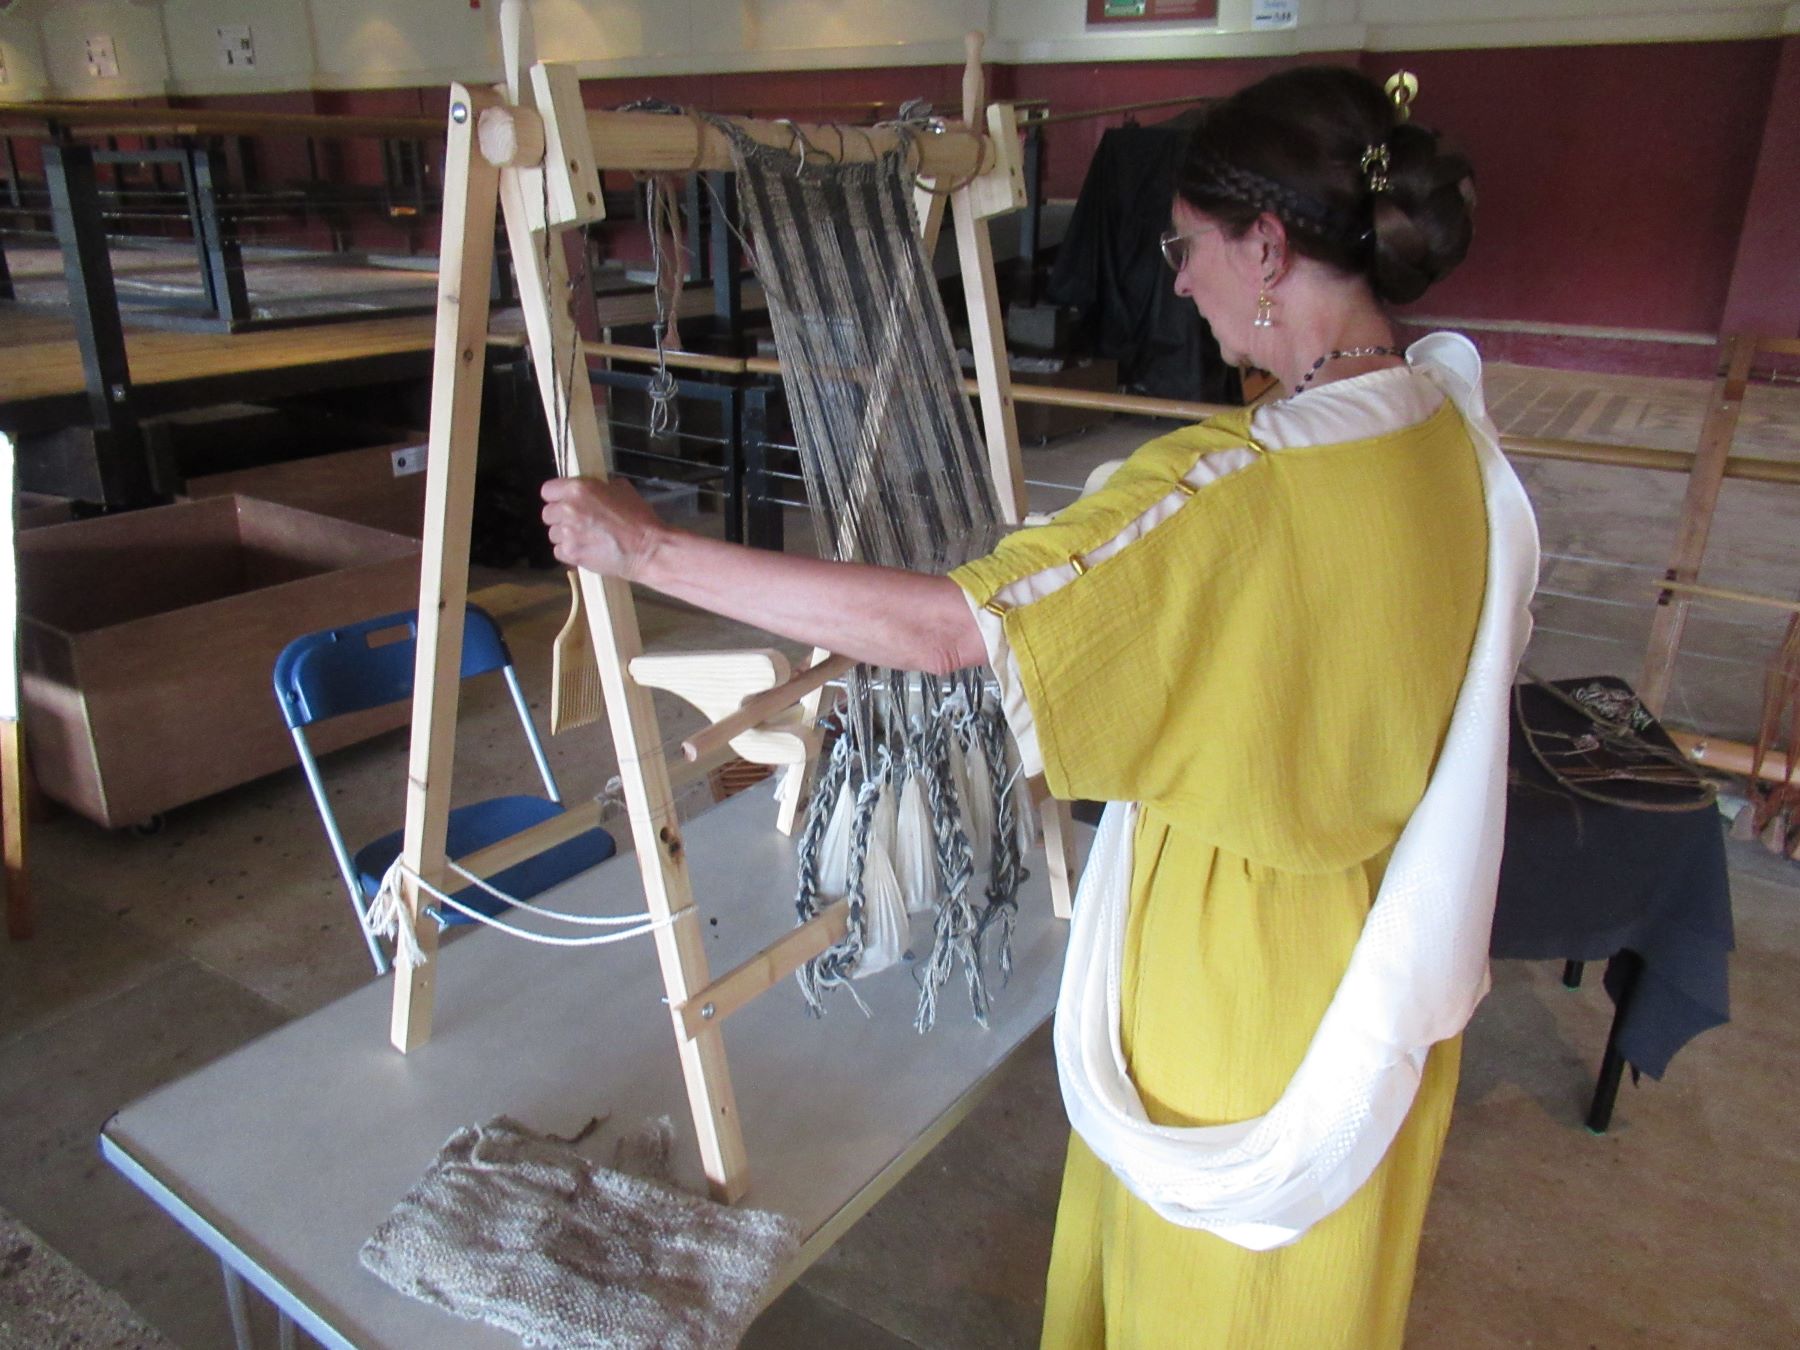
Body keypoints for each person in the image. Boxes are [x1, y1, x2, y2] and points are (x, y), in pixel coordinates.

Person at [542, 66, 1536, 1350]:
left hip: (1241, 987)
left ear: (1270, 248)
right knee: (1319, 1295)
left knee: (1206, 1305)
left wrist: (650, 555)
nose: (1173, 280)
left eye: (1184, 249)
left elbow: (952, 633)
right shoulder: (1445, 428)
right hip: (1388, 934)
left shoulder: (1234, 485)